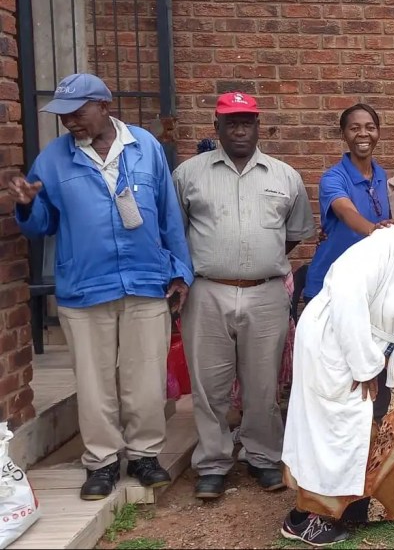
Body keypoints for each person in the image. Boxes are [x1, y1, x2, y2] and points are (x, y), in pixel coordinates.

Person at [9, 73, 192, 500]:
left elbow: (168, 214)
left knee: (144, 378)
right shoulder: (53, 160)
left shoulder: (145, 147)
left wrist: (180, 269)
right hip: (85, 287)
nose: (69, 121)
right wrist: (27, 203)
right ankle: (102, 462)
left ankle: (145, 455)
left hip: (146, 282)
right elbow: (43, 226)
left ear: (104, 106)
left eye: (78, 112)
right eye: (63, 115)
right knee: (94, 383)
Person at [280, 173, 394, 547]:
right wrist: (365, 366)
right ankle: (306, 519)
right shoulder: (386, 242)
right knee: (338, 431)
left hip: (383, 347)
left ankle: (377, 501)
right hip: (336, 342)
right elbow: (346, 293)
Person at [173, 92, 315, 499]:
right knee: (209, 386)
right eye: (231, 122)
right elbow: (177, 231)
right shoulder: (189, 174)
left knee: (263, 385)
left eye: (247, 122)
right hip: (207, 292)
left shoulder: (284, 176)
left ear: (259, 127)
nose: (239, 129)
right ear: (216, 127)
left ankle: (263, 457)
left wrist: (256, 264)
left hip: (266, 294)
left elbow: (292, 234)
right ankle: (213, 463)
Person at [304, 104, 393, 301]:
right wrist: (375, 231)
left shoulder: (381, 175)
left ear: (378, 132)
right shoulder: (333, 178)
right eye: (354, 128)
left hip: (366, 286)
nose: (363, 134)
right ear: (343, 134)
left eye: (370, 127)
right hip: (329, 285)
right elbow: (346, 212)